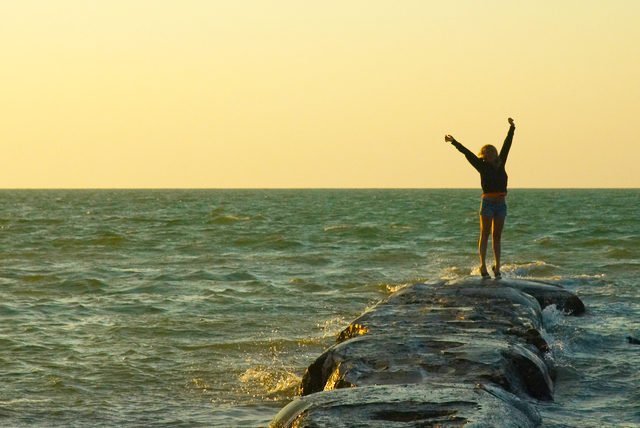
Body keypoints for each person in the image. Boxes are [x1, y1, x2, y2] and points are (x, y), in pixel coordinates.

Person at [445, 118, 516, 279]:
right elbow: (467, 153)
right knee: (485, 234)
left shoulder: (501, 163)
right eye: (487, 152)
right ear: (483, 156)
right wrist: (454, 142)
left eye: (493, 151)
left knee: (497, 236)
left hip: (501, 203)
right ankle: (483, 265)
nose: (491, 154)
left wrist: (512, 128)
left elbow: (507, 144)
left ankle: (497, 267)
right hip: (488, 203)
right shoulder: (481, 165)